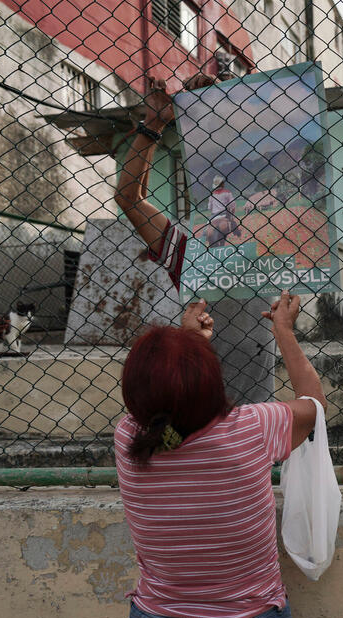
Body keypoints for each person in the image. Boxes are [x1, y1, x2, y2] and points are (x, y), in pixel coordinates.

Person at [116, 290, 323, 618]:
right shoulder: (251, 428)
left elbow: (172, 419)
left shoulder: (128, 437)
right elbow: (314, 405)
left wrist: (187, 346)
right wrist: (283, 331)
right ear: (213, 380)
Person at [115, 75, 274, 404]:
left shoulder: (271, 240)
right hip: (202, 416)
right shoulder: (188, 249)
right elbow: (129, 198)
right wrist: (154, 125)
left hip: (251, 421)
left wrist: (229, 98)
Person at [205, 175, 241, 247]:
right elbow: (232, 205)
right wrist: (232, 214)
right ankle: (237, 233)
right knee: (233, 222)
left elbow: (209, 207)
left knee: (207, 227)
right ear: (222, 184)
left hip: (214, 215)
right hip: (224, 213)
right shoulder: (227, 192)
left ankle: (205, 237)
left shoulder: (212, 195)